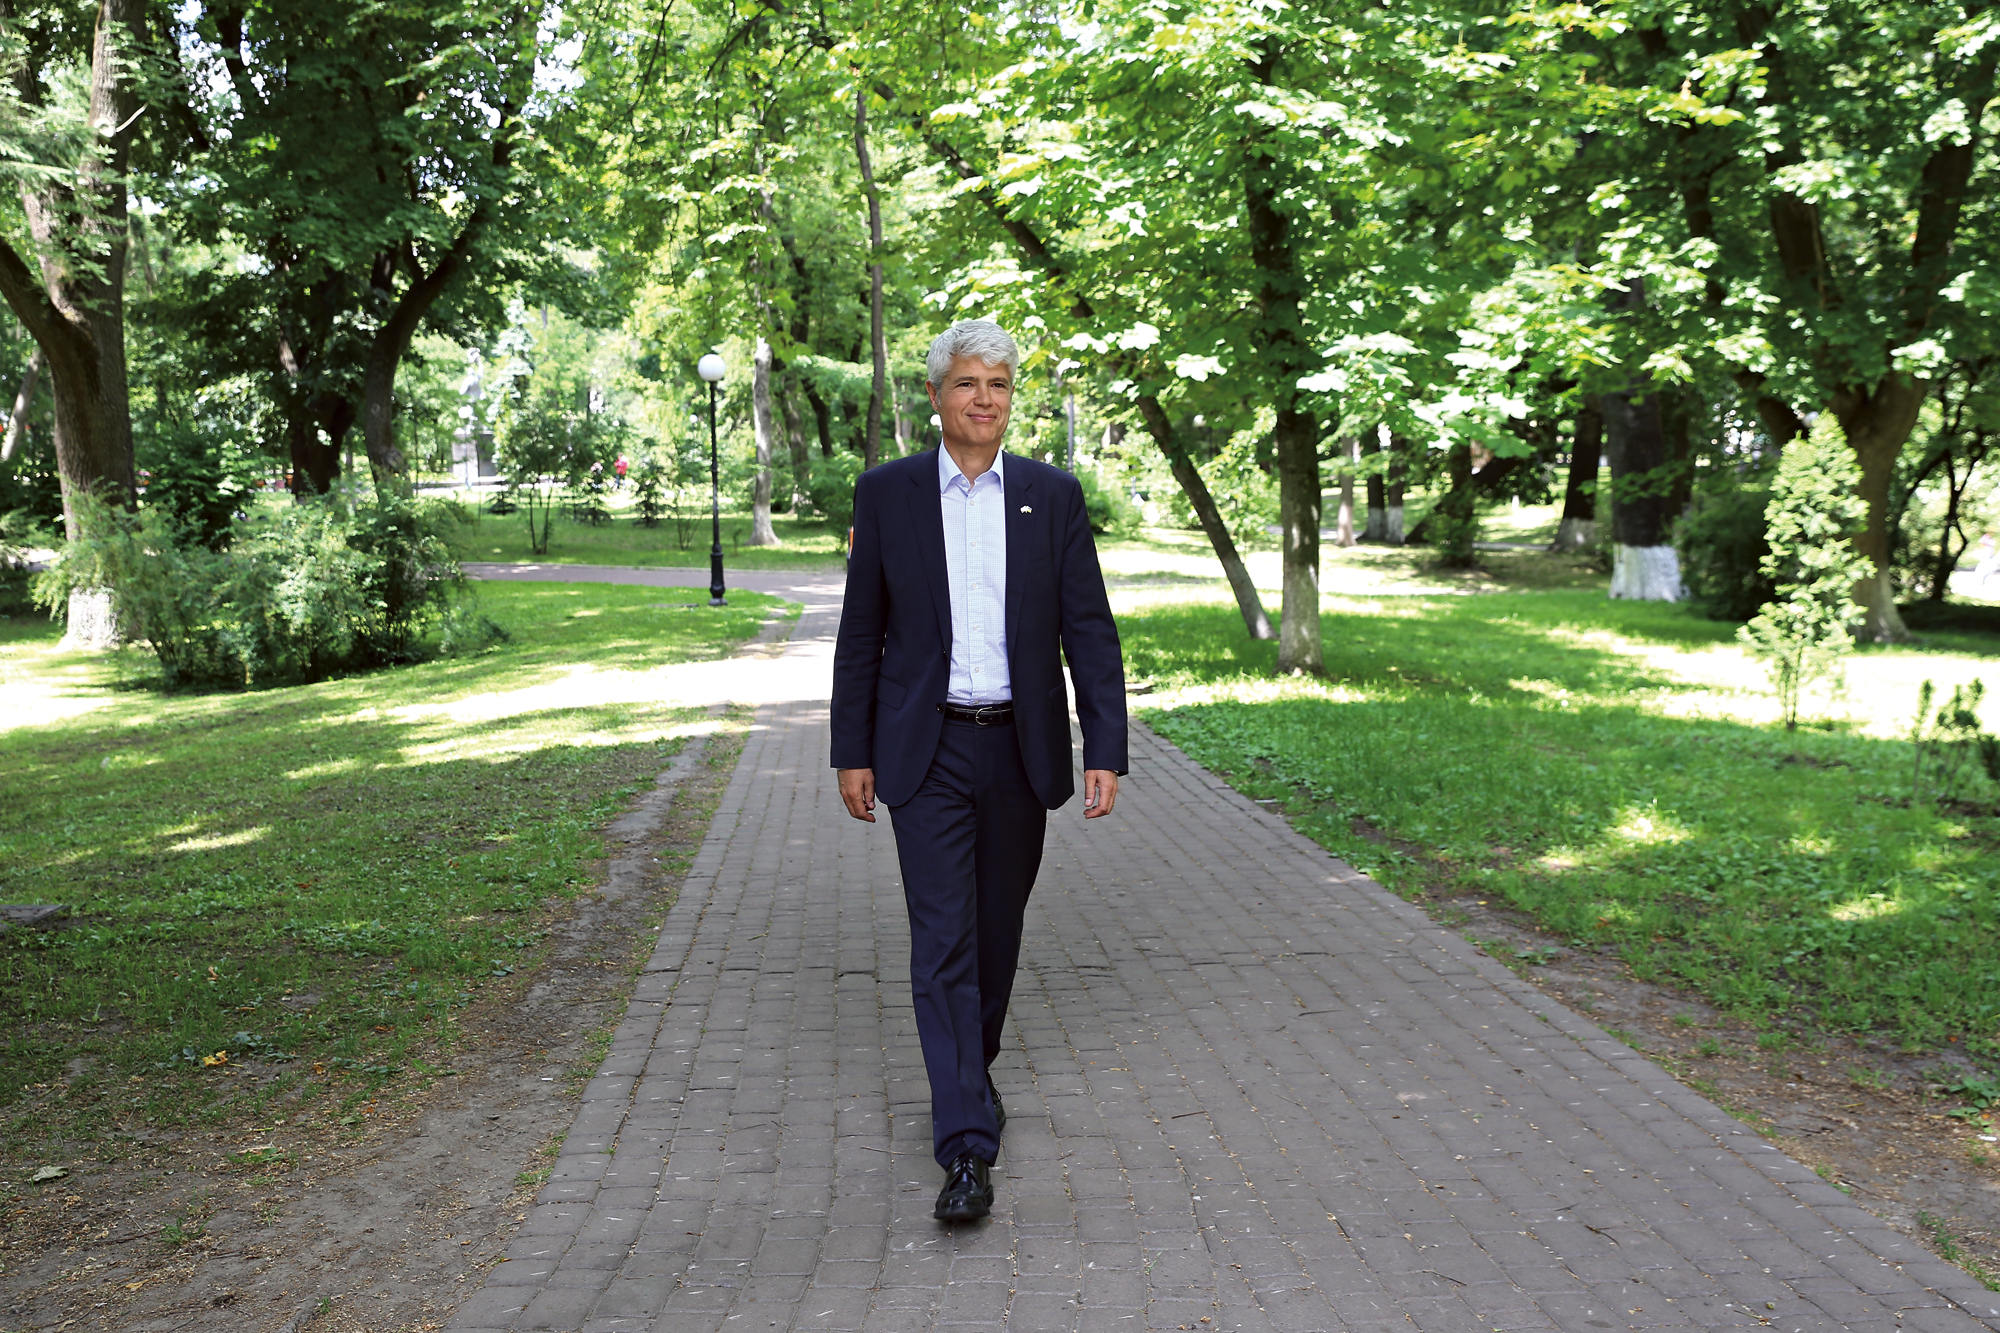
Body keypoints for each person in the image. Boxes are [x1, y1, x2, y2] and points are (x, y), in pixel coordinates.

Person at [829, 318, 1128, 1224]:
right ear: (935, 396)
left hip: (1017, 747)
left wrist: (1104, 746)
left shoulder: (1052, 495)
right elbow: (861, 634)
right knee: (942, 942)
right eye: (966, 383)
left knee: (995, 938)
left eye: (998, 384)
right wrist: (853, 748)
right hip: (924, 750)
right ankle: (965, 1142)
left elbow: (1090, 629)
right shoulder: (888, 495)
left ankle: (972, 1069)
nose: (983, 398)